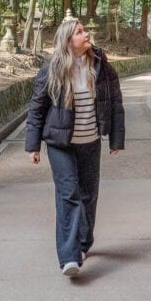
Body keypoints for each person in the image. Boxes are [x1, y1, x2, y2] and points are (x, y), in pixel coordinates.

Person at [25, 17, 125, 277]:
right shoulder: (52, 70)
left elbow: (115, 103)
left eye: (85, 30)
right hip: (60, 144)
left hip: (90, 142)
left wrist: (115, 139)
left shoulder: (101, 66)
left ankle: (83, 242)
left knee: (88, 195)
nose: (86, 34)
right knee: (69, 194)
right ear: (68, 41)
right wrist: (33, 145)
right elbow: (37, 109)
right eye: (80, 32)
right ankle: (69, 257)